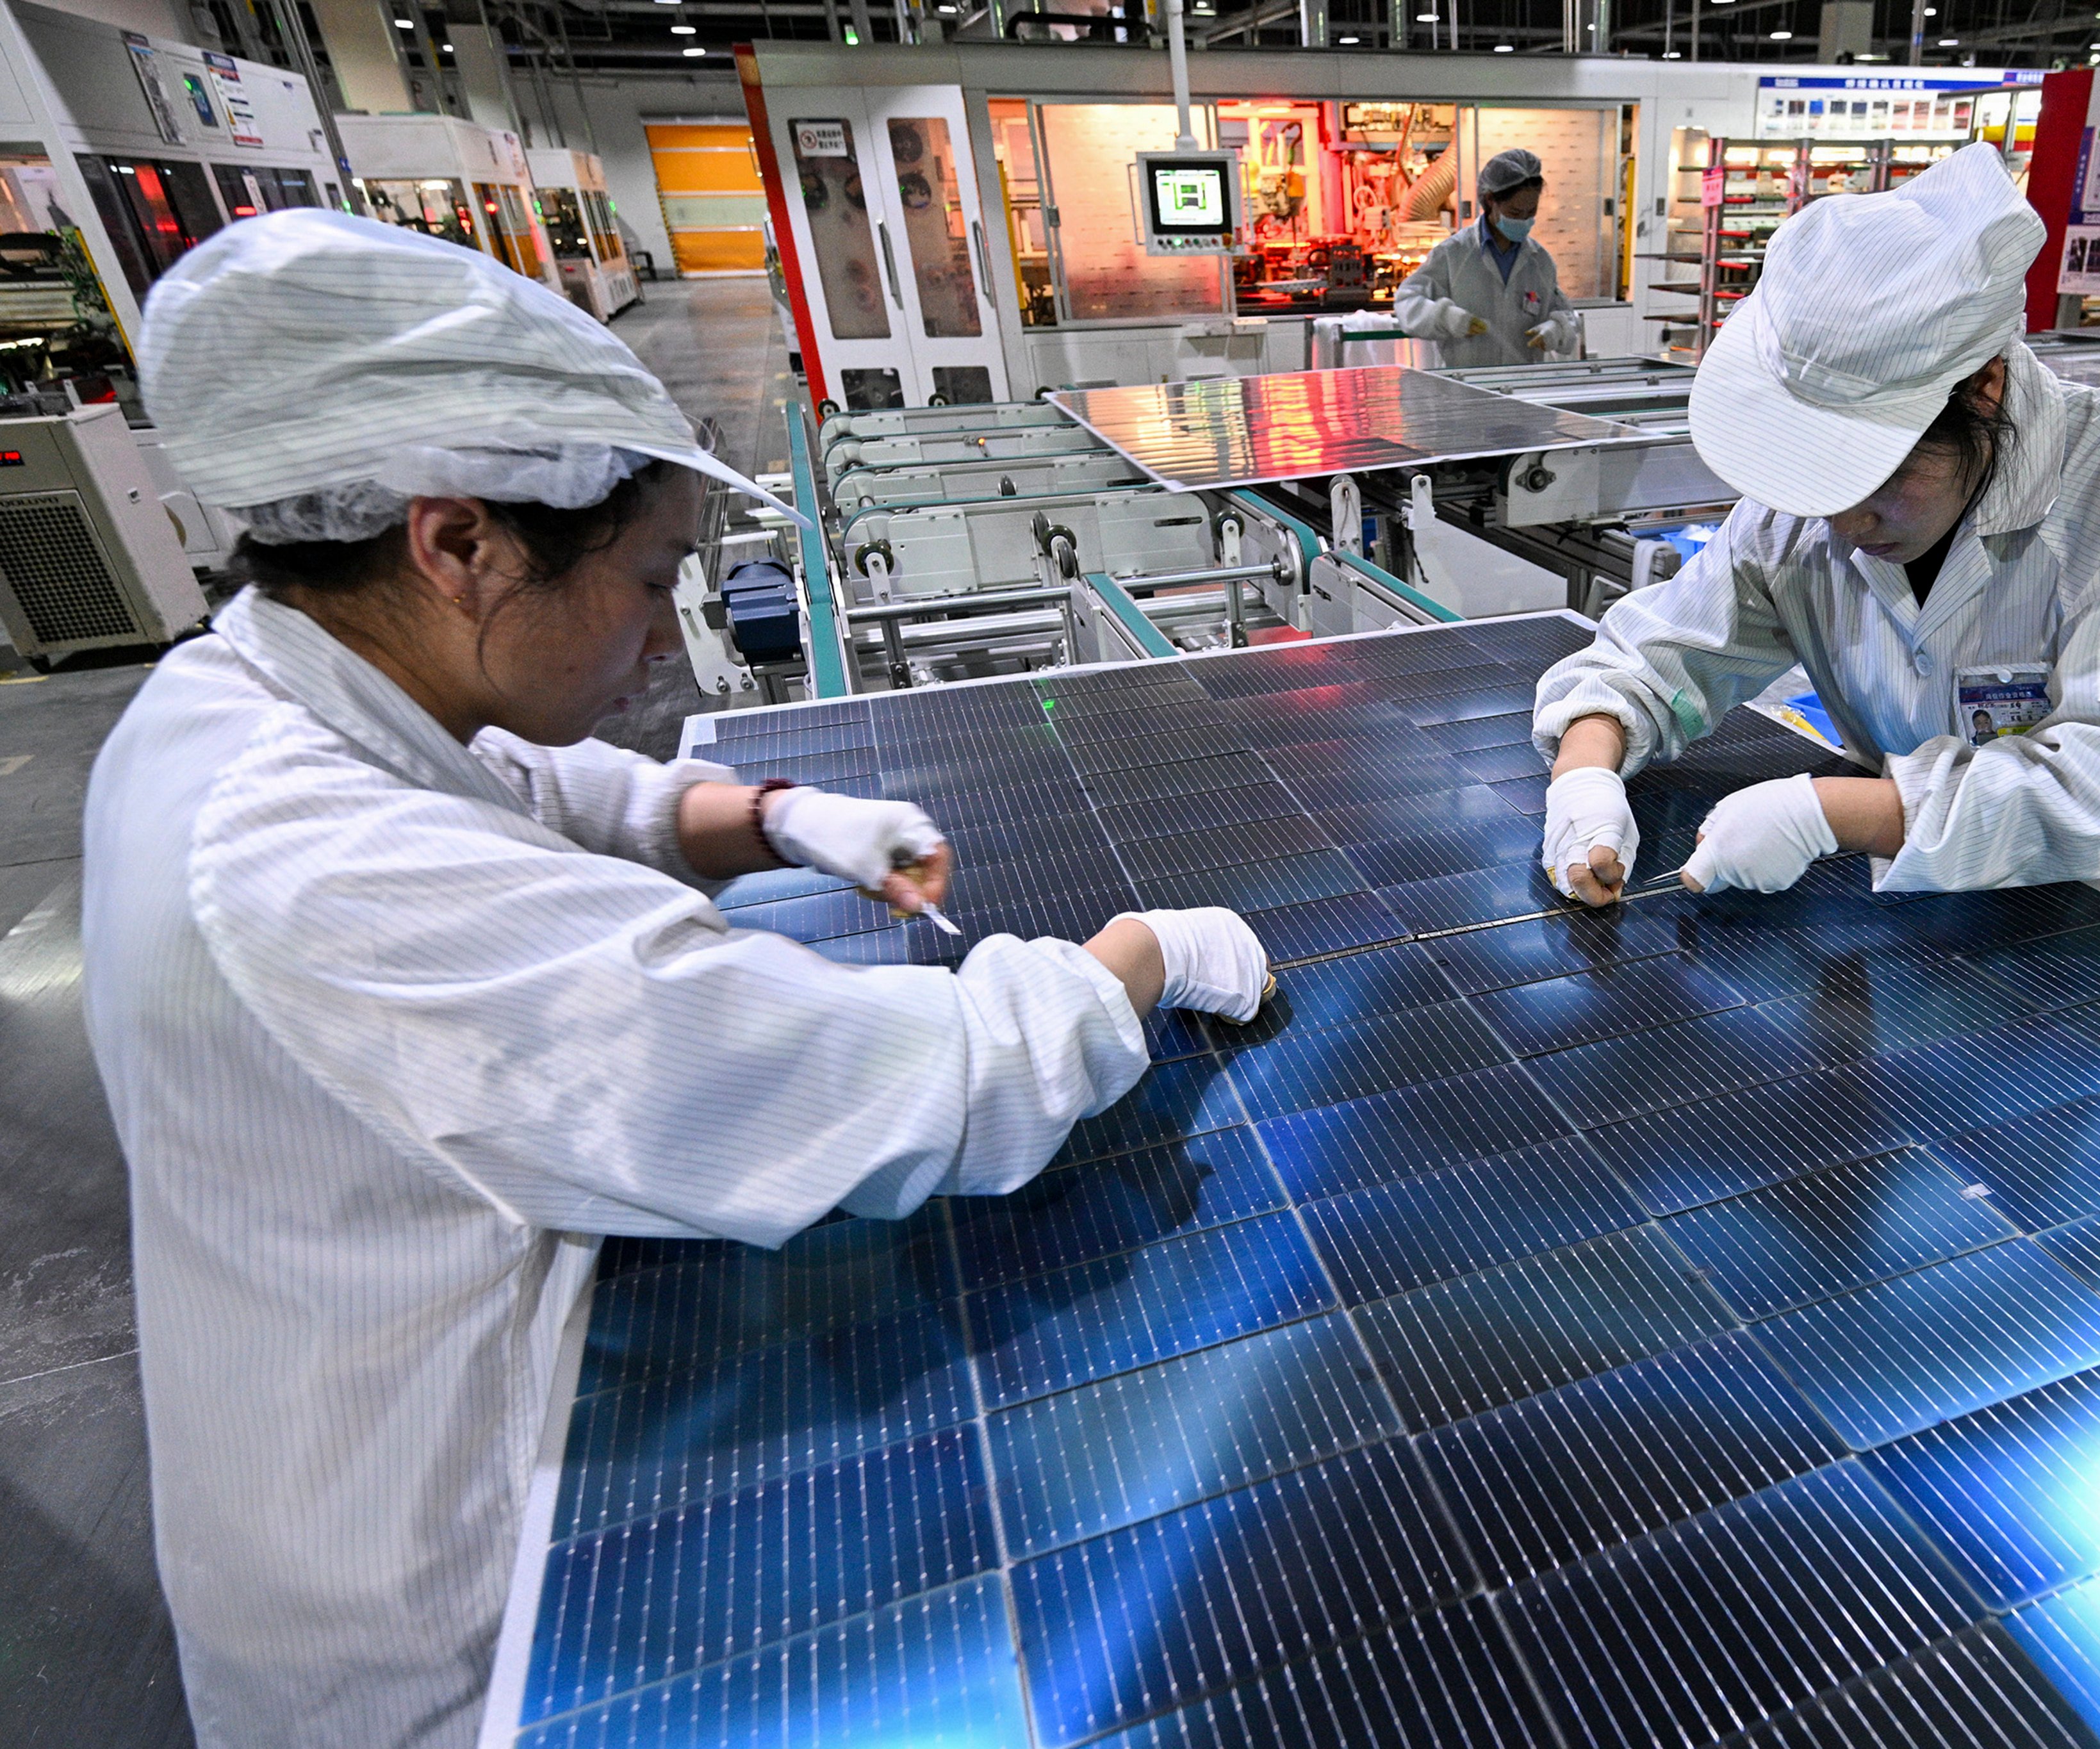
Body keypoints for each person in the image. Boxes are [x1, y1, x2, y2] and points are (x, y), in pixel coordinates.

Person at [81, 209, 1269, 1749]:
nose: (661, 644)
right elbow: (905, 1088)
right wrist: (1139, 961)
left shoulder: (246, 693)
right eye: (648, 583)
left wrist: (774, 817)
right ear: (458, 544)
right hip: (443, 1622)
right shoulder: (316, 870)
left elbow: (527, 793)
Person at [1536, 145, 2100, 939]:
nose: (1840, 523)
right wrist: (1584, 776)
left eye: (1877, 481)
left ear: (1984, 388)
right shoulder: (1801, 512)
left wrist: (1830, 813)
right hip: (1913, 926)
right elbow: (1653, 659)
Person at [1392, 147, 1577, 368]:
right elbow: (1407, 301)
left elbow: (1566, 315)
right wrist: (1446, 318)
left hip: (1524, 387)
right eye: (1516, 213)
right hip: (1466, 388)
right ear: (1491, 200)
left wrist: (1557, 329)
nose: (1524, 221)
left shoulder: (1540, 262)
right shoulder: (1454, 254)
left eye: (1531, 213)